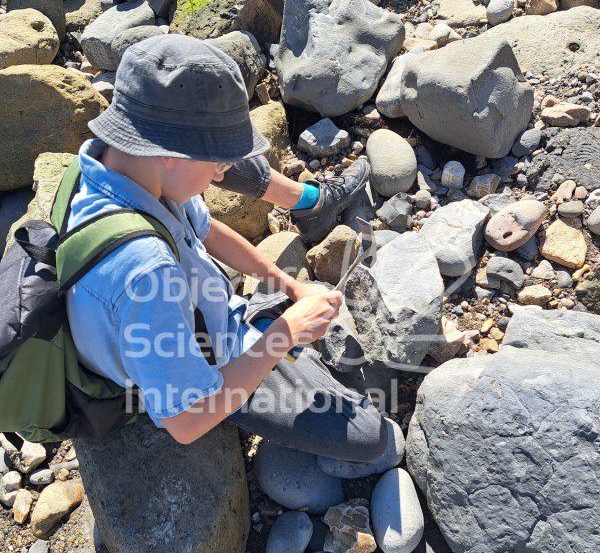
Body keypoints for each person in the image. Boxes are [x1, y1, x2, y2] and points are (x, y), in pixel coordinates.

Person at [65, 33, 390, 461]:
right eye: (218, 162)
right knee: (372, 436)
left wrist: (289, 287)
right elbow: (186, 421)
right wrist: (283, 334)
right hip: (196, 368)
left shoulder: (109, 161)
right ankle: (271, 337)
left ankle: (269, 317)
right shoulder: (146, 274)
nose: (222, 176)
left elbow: (208, 230)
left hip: (200, 312)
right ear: (168, 153)